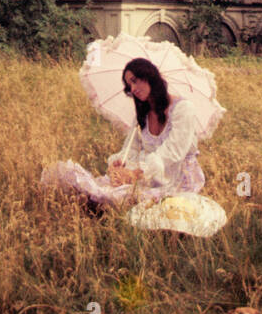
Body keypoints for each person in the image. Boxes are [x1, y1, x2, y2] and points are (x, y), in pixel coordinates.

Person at [40, 56, 207, 212]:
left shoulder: (183, 109)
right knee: (101, 187)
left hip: (175, 177)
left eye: (134, 81)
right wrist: (121, 163)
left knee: (124, 197)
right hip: (147, 174)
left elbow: (173, 152)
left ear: (150, 77)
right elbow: (131, 148)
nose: (133, 89)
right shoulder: (143, 114)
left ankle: (101, 206)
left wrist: (135, 174)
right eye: (129, 85)